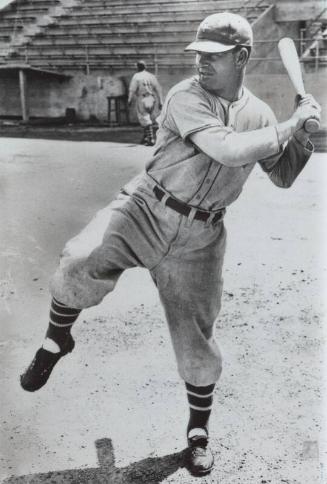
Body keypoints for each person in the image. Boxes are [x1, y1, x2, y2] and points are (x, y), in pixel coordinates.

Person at [20, 12, 321, 477]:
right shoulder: (185, 96)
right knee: (80, 261)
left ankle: (197, 432)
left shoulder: (260, 114)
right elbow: (226, 149)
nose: (201, 63)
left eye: (213, 57)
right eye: (198, 54)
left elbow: (281, 175)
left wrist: (301, 136)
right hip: (144, 210)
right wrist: (288, 124)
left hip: (201, 240)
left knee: (198, 344)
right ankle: (57, 340)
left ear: (241, 58)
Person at [128, 60, 163, 146]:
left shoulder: (137, 76)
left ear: (138, 67)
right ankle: (145, 137)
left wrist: (129, 99)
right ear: (145, 67)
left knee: (144, 117)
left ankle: (151, 139)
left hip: (142, 97)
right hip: (150, 97)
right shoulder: (151, 76)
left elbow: (132, 89)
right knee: (148, 117)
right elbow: (158, 88)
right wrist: (161, 100)